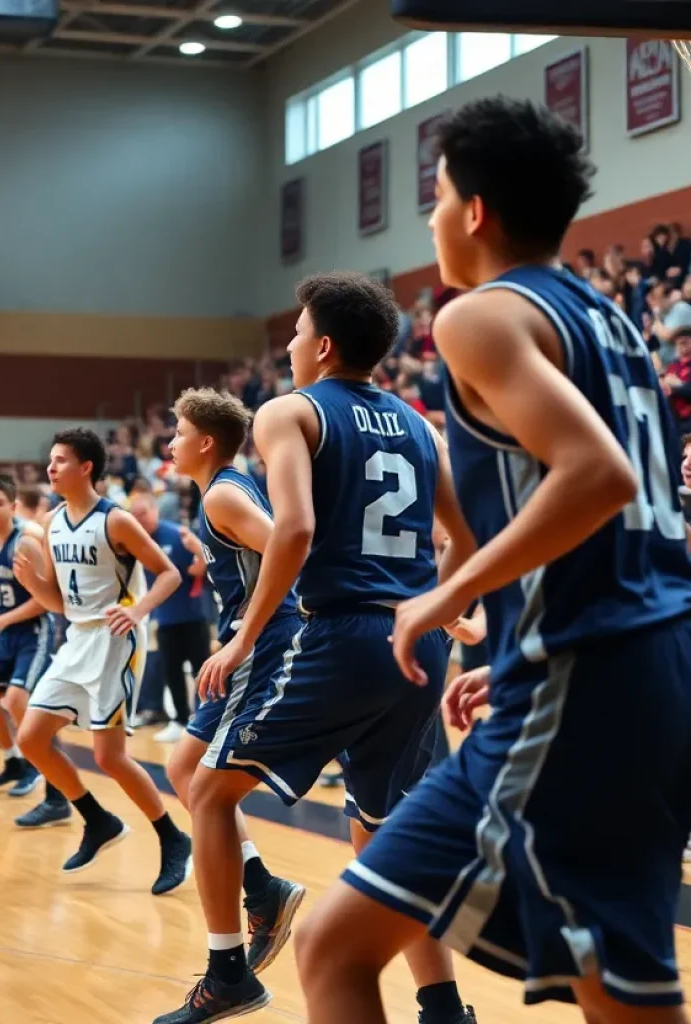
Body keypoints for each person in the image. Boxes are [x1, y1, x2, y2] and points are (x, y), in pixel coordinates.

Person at [295, 97, 691, 1024]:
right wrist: (508, 643)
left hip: (587, 677)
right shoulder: (615, 323)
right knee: (620, 991)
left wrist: (449, 594)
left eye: (434, 198)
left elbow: (600, 475)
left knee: (336, 948)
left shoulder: (478, 316)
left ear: (474, 212)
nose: (430, 219)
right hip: (637, 669)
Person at [157, 272, 478, 1024]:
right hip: (417, 645)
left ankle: (228, 971)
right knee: (383, 833)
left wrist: (240, 636)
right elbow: (464, 538)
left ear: (323, 345)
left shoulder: (288, 412)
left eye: (298, 331)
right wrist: (446, 613)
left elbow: (294, 529)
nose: (292, 343)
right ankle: (444, 1010)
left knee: (206, 791)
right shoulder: (419, 424)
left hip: (344, 634)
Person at [162, 387, 307, 981]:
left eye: (177, 431)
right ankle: (262, 886)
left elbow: (286, 547)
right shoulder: (223, 490)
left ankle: (233, 951)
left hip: (265, 644)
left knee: (207, 789)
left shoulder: (223, 493)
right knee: (181, 770)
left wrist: (242, 635)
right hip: (251, 641)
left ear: (205, 442)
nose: (170, 441)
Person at [14, 428, 193, 894]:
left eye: (59, 461)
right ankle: (98, 820)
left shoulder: (116, 520)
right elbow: (58, 601)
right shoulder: (53, 523)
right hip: (77, 638)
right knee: (32, 738)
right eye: (50, 461)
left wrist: (136, 610)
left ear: (86, 467)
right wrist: (34, 584)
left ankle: (173, 839)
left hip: (117, 639)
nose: (50, 469)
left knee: (108, 756)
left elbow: (169, 574)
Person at [0, 474, 55, 799]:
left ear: (14, 506)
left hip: (34, 631)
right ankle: (13, 760)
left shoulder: (25, 541)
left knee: (17, 700)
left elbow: (42, 600)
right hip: (5, 631)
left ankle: (36, 766)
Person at [128, 492, 212, 743]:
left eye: (143, 514)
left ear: (155, 511)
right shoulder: (135, 541)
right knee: (171, 671)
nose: (140, 520)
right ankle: (180, 720)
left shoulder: (177, 534)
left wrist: (200, 560)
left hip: (192, 615)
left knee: (202, 672)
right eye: (135, 516)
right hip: (163, 619)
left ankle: (208, 720)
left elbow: (203, 567)